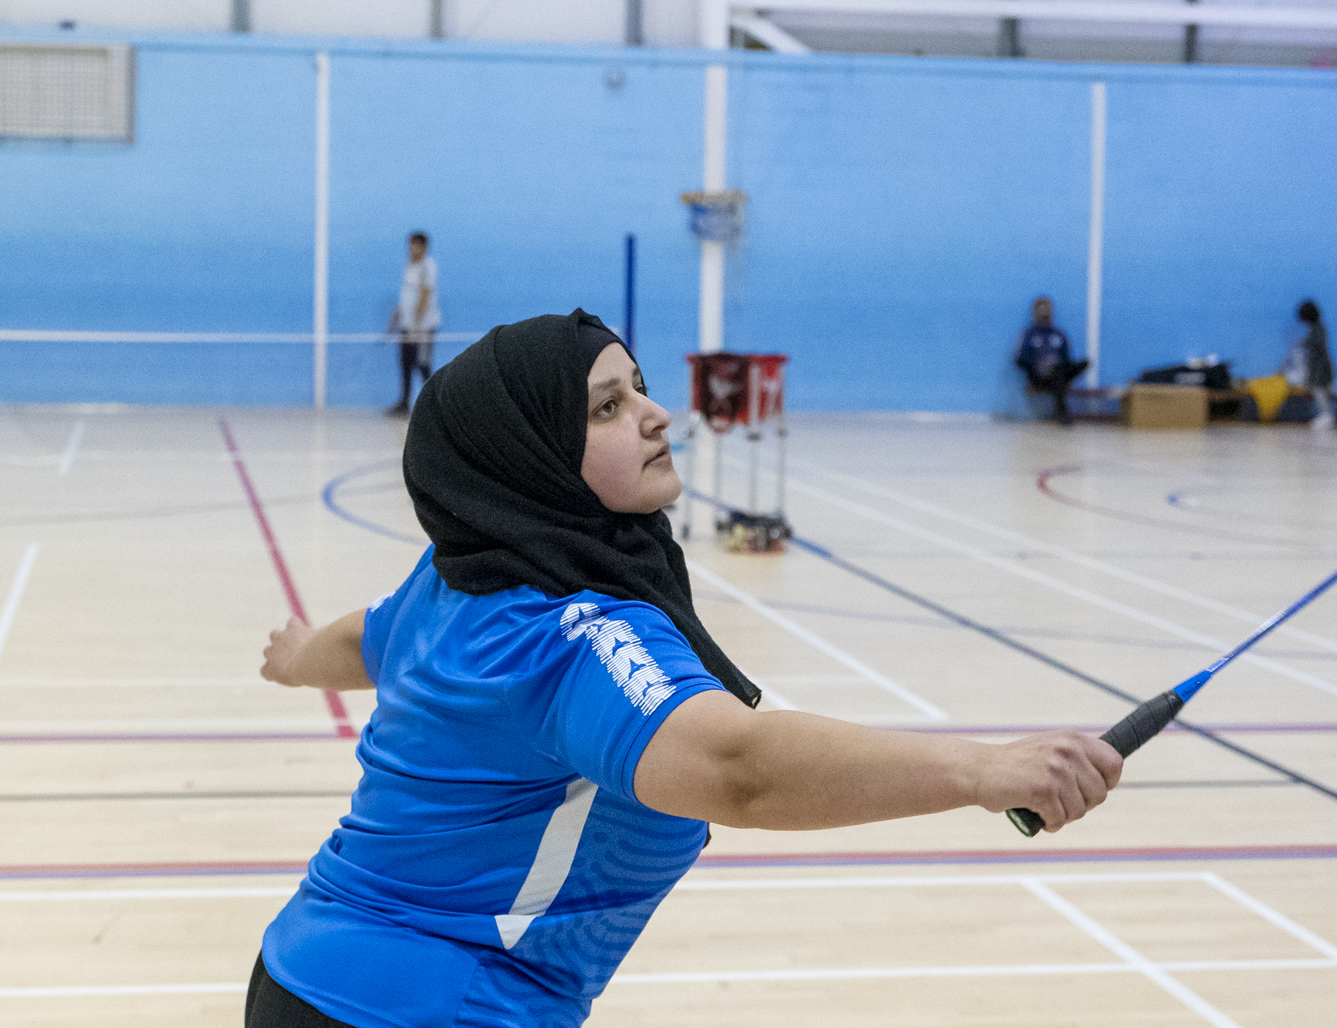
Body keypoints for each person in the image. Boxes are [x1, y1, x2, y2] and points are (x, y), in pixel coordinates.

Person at [252, 311, 1120, 1028]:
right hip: (430, 1009)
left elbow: (363, 640)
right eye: (603, 408)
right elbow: (739, 771)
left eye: (639, 387)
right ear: (527, 452)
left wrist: (297, 661)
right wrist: (983, 769)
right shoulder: (572, 633)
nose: (655, 414)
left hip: (302, 971)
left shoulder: (458, 575)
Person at [385, 232, 440, 417]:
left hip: (422, 329)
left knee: (422, 364)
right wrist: (394, 321)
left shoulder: (427, 267)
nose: (410, 249)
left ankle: (436, 404)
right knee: (405, 364)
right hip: (406, 327)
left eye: (414, 245)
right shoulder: (410, 267)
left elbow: (424, 297)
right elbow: (406, 297)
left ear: (423, 248)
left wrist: (417, 328)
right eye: (409, 245)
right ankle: (404, 403)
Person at [1015, 296, 1090, 425]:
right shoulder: (1029, 334)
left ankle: (1062, 411)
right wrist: (1036, 366)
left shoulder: (1058, 334)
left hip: (1057, 373)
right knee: (1058, 373)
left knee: (1077, 365)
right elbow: (1021, 359)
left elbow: (1066, 357)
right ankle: (1063, 414)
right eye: (1041, 310)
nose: (1044, 314)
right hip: (1039, 376)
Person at [1295, 300, 1333, 431]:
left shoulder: (1317, 328)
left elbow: (1318, 348)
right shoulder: (1315, 327)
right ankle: (1324, 415)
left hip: (1320, 365)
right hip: (1318, 364)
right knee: (1320, 391)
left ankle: (1326, 415)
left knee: (1320, 390)